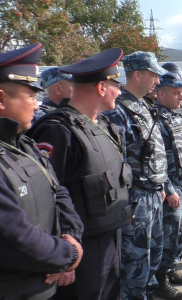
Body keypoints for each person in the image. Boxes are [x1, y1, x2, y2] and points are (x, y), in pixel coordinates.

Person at [29, 48, 133, 300]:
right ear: (101, 88)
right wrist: (61, 256)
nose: (119, 91)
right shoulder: (58, 131)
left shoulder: (103, 125)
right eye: (115, 85)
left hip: (110, 235)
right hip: (81, 245)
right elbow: (45, 197)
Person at [0, 43, 83, 300]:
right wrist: (67, 255)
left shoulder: (25, 144)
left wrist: (72, 238)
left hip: (43, 283)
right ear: (2, 99)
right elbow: (13, 237)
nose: (37, 105)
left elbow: (58, 191)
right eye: (31, 96)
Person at [103, 51, 168, 300]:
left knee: (151, 257)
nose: (157, 81)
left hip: (152, 194)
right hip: (135, 199)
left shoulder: (142, 106)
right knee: (134, 263)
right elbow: (115, 162)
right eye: (153, 75)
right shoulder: (118, 111)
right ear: (137, 74)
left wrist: (160, 183)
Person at [151, 72, 182, 300]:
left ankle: (171, 270)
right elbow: (156, 160)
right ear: (160, 94)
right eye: (176, 93)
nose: (181, 97)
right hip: (171, 187)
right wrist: (168, 189)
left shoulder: (178, 115)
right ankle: (160, 280)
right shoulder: (156, 119)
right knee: (167, 235)